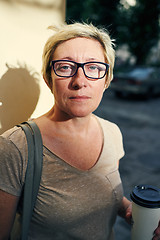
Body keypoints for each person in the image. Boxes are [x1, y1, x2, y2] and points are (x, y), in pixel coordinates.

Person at [0, 22, 159, 240]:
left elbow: (106, 194)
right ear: (49, 79)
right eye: (65, 67)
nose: (80, 81)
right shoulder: (16, 147)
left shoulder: (112, 133)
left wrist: (130, 210)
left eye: (93, 67)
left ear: (106, 80)